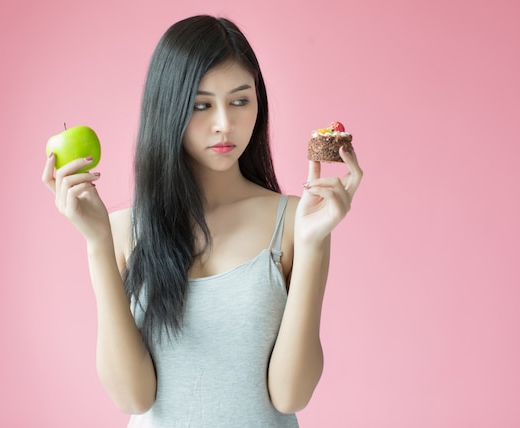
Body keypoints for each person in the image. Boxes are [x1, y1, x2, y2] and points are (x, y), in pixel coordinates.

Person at [42, 14, 362, 427]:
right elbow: (132, 398)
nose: (224, 124)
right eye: (201, 104)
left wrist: (314, 242)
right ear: (169, 108)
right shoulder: (122, 231)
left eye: (240, 100)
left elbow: (290, 395)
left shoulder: (297, 221)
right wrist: (97, 243)